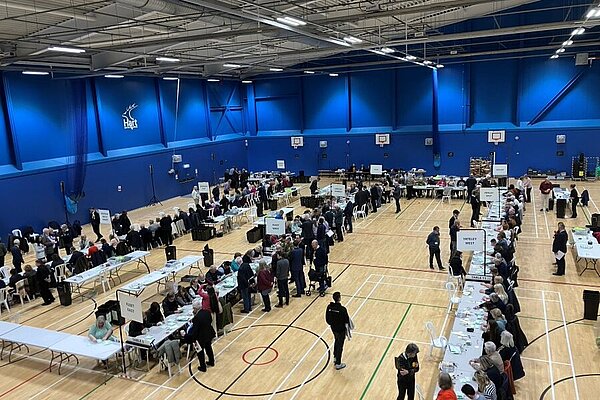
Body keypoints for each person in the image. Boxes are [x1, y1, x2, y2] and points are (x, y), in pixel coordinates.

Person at [181, 299, 215, 372]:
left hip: (201, 337)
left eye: (193, 309)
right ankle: (211, 361)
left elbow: (195, 330)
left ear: (196, 309)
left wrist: (187, 336)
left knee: (200, 352)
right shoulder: (207, 312)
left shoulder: (196, 318)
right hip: (209, 333)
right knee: (209, 348)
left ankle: (203, 367)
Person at [325, 291, 350, 370]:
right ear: (339, 298)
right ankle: (338, 363)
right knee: (340, 345)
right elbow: (346, 320)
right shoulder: (342, 309)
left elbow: (327, 319)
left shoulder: (329, 307)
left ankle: (335, 357)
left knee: (336, 341)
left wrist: (332, 324)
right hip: (341, 330)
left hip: (333, 328)